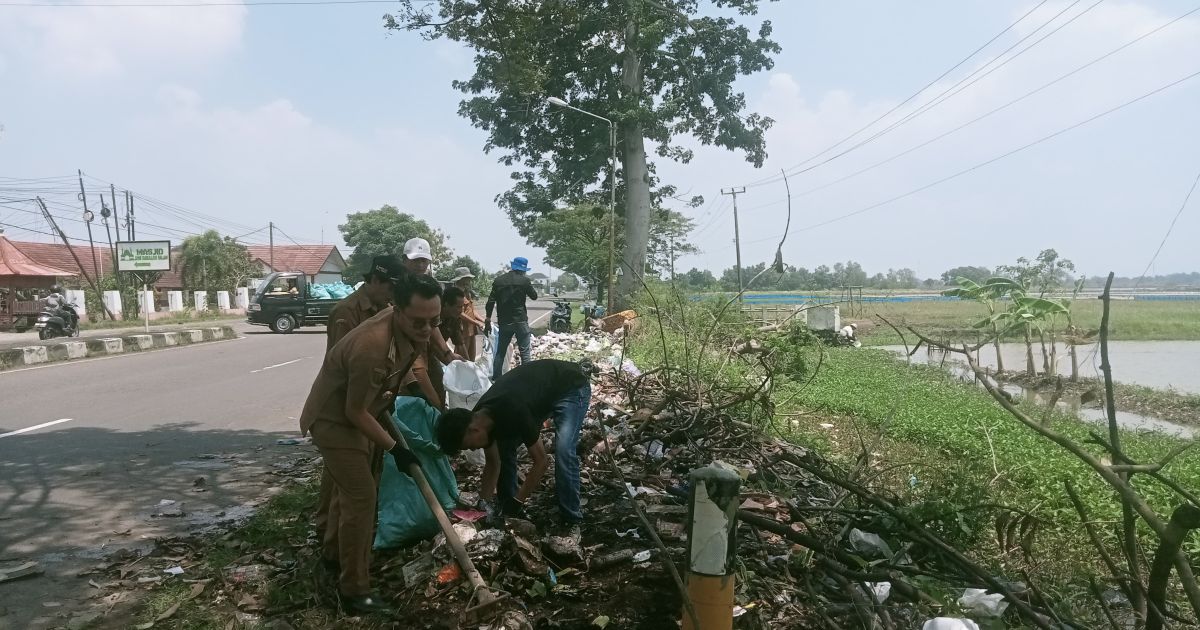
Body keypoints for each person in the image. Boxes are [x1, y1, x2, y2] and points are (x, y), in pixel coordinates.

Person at [298, 273, 443, 615]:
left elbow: (390, 386)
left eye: (433, 322)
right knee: (361, 497)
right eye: (419, 322)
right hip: (334, 422)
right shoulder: (371, 346)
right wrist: (397, 449)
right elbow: (354, 411)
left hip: (365, 415)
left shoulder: (406, 329)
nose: (426, 330)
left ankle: (335, 557)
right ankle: (355, 592)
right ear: (398, 310)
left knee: (352, 494)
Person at [314, 255, 407, 546]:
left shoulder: (386, 309)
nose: (392, 294)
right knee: (344, 482)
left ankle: (348, 537)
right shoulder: (346, 311)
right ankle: (328, 535)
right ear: (375, 280)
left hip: (371, 406)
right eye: (390, 286)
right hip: (346, 410)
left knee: (364, 476)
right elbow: (342, 363)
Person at [436, 359, 591, 528]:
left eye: (469, 446)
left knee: (564, 450)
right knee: (504, 448)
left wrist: (519, 501)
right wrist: (483, 504)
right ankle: (506, 507)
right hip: (540, 393)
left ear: (474, 430)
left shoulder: (514, 409)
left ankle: (572, 520)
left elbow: (541, 462)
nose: (473, 448)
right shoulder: (480, 417)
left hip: (571, 386)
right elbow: (493, 463)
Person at [402, 237, 461, 407]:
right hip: (404, 349)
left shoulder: (430, 285)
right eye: (416, 261)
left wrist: (447, 353)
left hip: (425, 347)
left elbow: (432, 325)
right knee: (421, 398)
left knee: (439, 388)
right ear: (405, 260)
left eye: (424, 261)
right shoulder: (399, 287)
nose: (421, 265)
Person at [326, 255, 405, 351]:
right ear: (375, 280)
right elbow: (341, 357)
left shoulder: (388, 308)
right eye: (391, 289)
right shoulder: (346, 311)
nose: (393, 296)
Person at [486, 256, 537, 377]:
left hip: (505, 322)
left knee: (500, 352)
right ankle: (526, 378)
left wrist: (488, 318)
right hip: (520, 321)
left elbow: (490, 302)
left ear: (513, 266)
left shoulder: (499, 281)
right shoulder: (524, 281)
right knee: (525, 352)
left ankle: (496, 379)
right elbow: (534, 296)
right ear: (523, 270)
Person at [452, 267, 486, 361]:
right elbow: (460, 313)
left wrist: (483, 321)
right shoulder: (455, 293)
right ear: (461, 279)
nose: (469, 280)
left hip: (471, 330)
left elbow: (472, 311)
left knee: (471, 358)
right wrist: (476, 323)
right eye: (467, 278)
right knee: (461, 358)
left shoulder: (467, 293)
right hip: (462, 330)